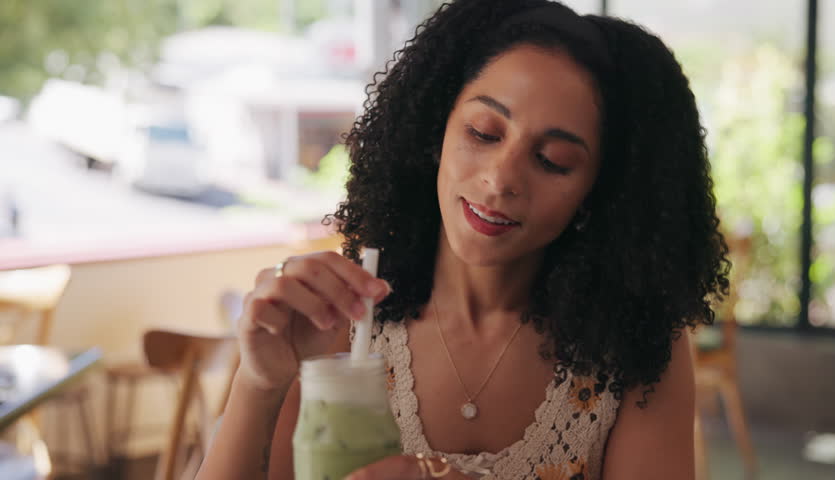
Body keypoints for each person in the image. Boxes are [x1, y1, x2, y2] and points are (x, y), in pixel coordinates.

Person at [197, 0, 730, 478]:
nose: (501, 179)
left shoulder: (633, 347)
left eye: (553, 161)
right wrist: (260, 384)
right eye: (483, 133)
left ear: (598, 194)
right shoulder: (336, 315)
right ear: (436, 130)